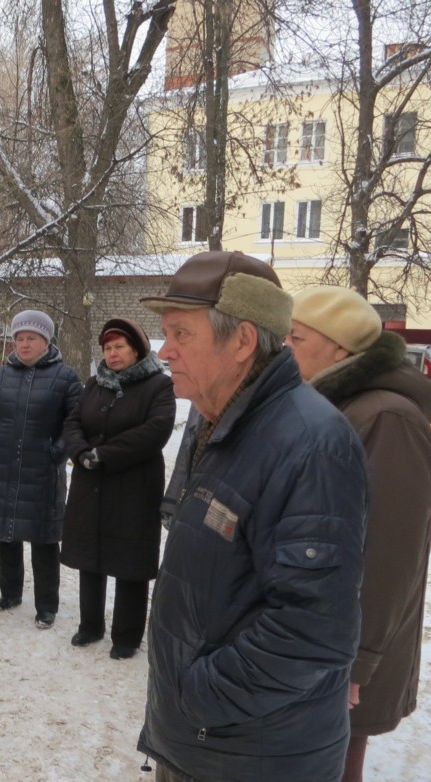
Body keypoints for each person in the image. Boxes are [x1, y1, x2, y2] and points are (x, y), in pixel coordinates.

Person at [137, 251, 368, 781]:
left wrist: (197, 695)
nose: (165, 350)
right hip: (207, 745)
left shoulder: (311, 444)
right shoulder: (217, 418)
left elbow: (313, 631)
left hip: (252, 756)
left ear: (242, 342)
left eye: (181, 334)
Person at [287, 286, 431, 782]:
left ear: (340, 350)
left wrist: (357, 661)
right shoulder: (336, 404)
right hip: (324, 639)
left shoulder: (386, 417)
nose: (285, 347)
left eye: (297, 338)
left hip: (350, 653)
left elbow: (391, 555)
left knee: (333, 765)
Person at [60, 318, 175, 658]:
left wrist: (104, 454)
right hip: (90, 483)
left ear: (136, 349)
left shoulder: (158, 386)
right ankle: (90, 626)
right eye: (108, 348)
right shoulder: (95, 384)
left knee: (130, 563)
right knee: (90, 556)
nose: (112, 354)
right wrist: (80, 451)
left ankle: (126, 637)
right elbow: (73, 422)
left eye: (119, 347)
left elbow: (156, 430)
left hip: (134, 488)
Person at [0, 310, 81, 628]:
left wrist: (54, 453)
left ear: (46, 341)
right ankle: (10, 593)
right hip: (0, 467)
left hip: (42, 472)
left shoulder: (65, 378)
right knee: (6, 534)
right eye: (19, 338)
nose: (24, 344)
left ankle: (46, 606)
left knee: (44, 540)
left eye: (31, 338)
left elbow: (76, 424)